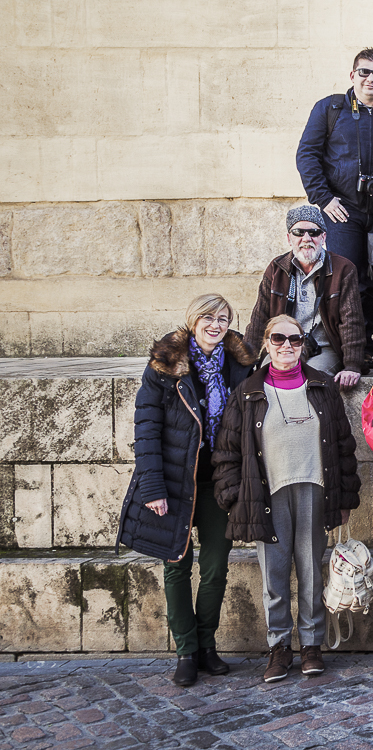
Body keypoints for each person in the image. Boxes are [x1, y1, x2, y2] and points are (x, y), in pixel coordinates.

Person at [117, 294, 257, 688]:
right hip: (177, 482)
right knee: (176, 565)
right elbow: (147, 430)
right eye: (208, 317)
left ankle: (207, 645)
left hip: (220, 481)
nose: (216, 324)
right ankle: (185, 650)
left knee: (215, 567)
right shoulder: (166, 365)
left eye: (224, 318)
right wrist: (153, 487)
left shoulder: (240, 365)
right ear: (193, 320)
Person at [212, 314, 360, 683]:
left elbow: (344, 446)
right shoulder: (248, 392)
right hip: (267, 495)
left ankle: (311, 645)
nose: (286, 347)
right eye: (278, 339)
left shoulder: (322, 387)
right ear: (265, 343)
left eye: (294, 340)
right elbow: (227, 452)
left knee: (311, 572)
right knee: (274, 578)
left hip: (315, 491)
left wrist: (345, 498)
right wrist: (234, 499)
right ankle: (279, 646)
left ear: (303, 345)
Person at [295, 48, 373, 355]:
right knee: (343, 279)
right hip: (343, 212)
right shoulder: (330, 108)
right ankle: (342, 349)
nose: (370, 79)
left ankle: (363, 349)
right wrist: (323, 199)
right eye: (364, 72)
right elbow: (307, 155)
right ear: (352, 76)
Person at [245, 205, 364, 387]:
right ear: (288, 238)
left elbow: (351, 320)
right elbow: (260, 317)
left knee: (310, 382)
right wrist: (245, 362)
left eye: (314, 232)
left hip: (324, 349)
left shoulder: (343, 269)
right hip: (282, 345)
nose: (306, 239)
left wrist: (352, 365)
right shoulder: (276, 268)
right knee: (269, 378)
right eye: (299, 232)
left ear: (323, 237)